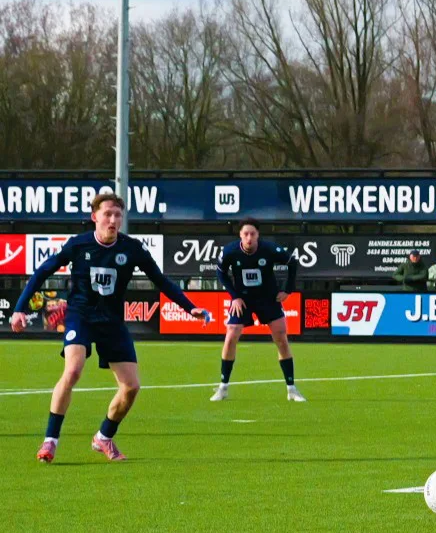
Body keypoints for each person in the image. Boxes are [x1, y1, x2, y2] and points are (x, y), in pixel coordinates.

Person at [9, 193, 210, 462]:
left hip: (112, 322)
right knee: (73, 369)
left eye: (117, 215)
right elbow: (42, 272)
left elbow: (161, 281)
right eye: (107, 214)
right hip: (81, 316)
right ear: (95, 217)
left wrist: (189, 307)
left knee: (131, 387)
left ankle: (103, 437)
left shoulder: (132, 248)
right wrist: (20, 308)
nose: (113, 220)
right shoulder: (78, 245)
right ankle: (50, 441)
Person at [210, 218, 304, 403]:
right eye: (246, 234)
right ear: (240, 235)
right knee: (231, 335)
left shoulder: (269, 249)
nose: (249, 237)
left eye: (253, 234)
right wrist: (234, 296)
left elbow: (292, 263)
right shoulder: (230, 251)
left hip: (268, 298)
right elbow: (220, 272)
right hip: (242, 299)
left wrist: (288, 289)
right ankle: (223, 387)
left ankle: (291, 389)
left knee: (281, 338)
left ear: (258, 235)